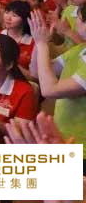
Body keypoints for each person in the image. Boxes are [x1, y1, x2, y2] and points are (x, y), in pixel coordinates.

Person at [29, 9, 86, 174]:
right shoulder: (80, 50)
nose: (76, 23)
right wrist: (40, 41)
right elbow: (36, 72)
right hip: (60, 139)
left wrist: (42, 44)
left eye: (80, 19)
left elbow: (49, 89)